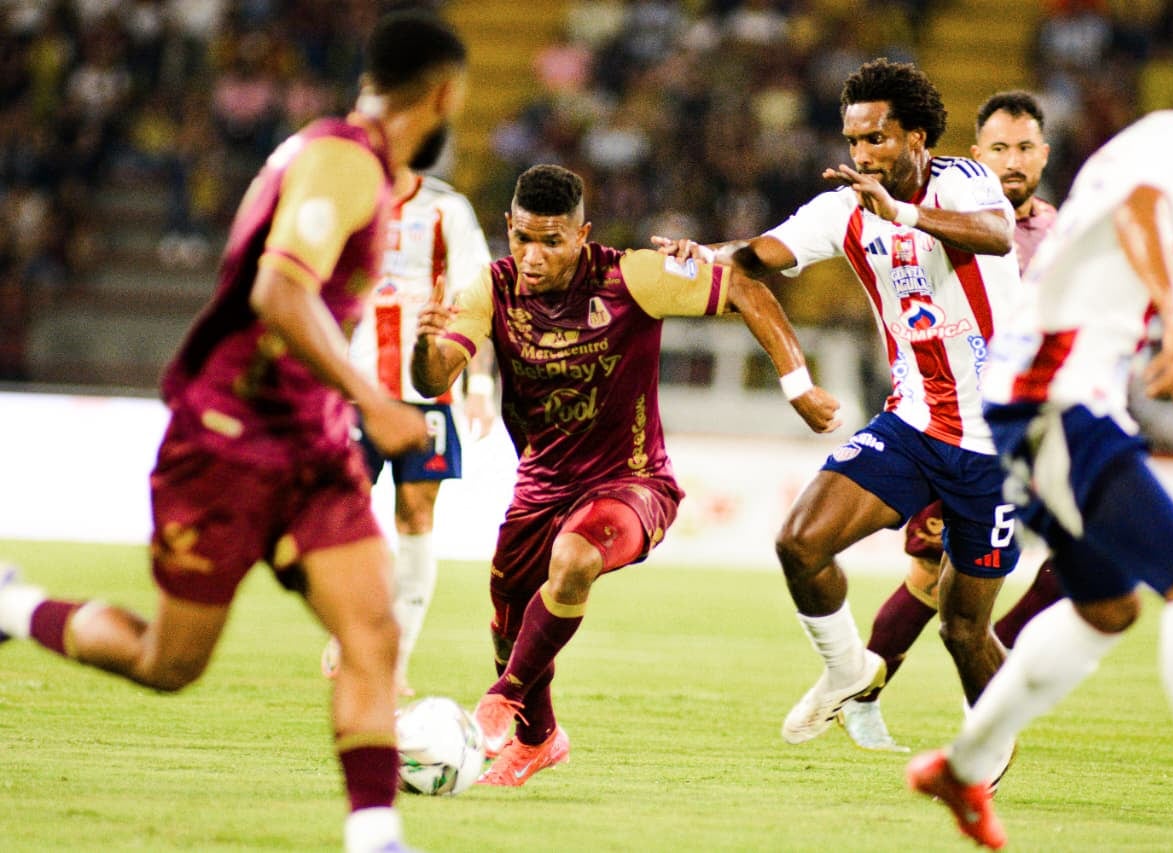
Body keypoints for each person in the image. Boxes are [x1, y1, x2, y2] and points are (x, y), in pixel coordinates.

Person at [0, 10, 467, 853]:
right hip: (226, 439)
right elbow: (279, 293)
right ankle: (14, 603)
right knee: (169, 666)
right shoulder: (341, 162)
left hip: (309, 444)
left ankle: (376, 836)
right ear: (444, 93)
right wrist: (375, 399)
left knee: (371, 631)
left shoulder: (342, 162)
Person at [907, 19, 1173, 853]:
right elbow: (1144, 209)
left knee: (1107, 606)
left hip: (1047, 388)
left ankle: (961, 769)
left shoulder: (1157, 132)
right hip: (1055, 392)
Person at [411, 163, 841, 787]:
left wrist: (797, 385)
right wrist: (424, 348)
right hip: (540, 486)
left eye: (551, 242)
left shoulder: (632, 277)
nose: (533, 257)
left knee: (575, 560)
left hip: (632, 482)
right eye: (523, 238)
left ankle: (499, 701)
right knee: (511, 624)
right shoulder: (490, 289)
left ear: (581, 235)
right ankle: (537, 739)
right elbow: (435, 378)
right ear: (508, 228)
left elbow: (747, 285)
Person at [655, 59, 1022, 753]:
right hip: (915, 423)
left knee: (963, 629)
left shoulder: (966, 182)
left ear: (919, 138)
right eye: (853, 141)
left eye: (877, 139)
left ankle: (990, 750)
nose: (861, 155)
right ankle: (848, 668)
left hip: (1000, 444)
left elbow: (998, 236)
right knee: (800, 540)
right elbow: (758, 256)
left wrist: (905, 213)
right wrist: (700, 253)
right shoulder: (843, 208)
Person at [843, 90, 1064, 752]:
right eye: (999, 148)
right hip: (957, 423)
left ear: (1044, 154)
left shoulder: (1061, 233)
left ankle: (995, 664)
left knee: (1088, 553)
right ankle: (863, 695)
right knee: (929, 577)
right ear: (976, 155)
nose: (1013, 160)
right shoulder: (947, 213)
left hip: (1040, 420)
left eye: (1024, 148)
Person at [325, 162, 496, 698]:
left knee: (417, 517)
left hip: (430, 396)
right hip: (359, 391)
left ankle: (395, 659)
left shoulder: (448, 210)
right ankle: (351, 627)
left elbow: (481, 299)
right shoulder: (348, 202)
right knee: (343, 514)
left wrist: (480, 388)